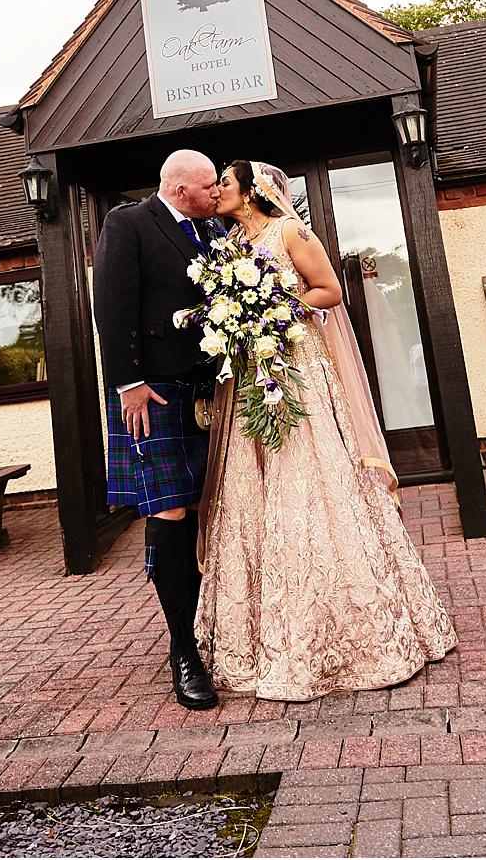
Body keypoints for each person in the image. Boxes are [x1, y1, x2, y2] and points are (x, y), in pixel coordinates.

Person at [195, 159, 458, 700]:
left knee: (311, 473)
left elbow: (329, 290)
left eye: (225, 181)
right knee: (253, 485)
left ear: (252, 191)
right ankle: (262, 632)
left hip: (297, 367)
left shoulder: (291, 231)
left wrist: (274, 307)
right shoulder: (227, 246)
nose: (217, 189)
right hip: (251, 374)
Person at [92, 149, 223, 710]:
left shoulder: (209, 230)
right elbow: (111, 306)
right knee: (169, 511)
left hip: (208, 390)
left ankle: (209, 624)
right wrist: (128, 384)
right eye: (210, 186)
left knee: (201, 510)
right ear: (180, 188)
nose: (217, 193)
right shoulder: (128, 223)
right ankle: (182, 651)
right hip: (155, 394)